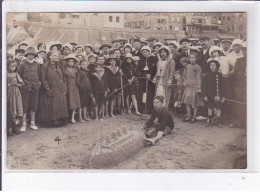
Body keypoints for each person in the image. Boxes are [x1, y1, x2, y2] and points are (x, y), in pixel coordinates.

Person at [38, 50, 68, 127]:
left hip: (60, 88)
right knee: (52, 105)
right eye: (54, 55)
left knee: (60, 105)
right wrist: (47, 88)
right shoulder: (45, 66)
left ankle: (61, 121)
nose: (56, 57)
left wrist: (64, 84)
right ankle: (52, 123)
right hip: (51, 89)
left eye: (57, 55)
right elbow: (43, 78)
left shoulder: (59, 65)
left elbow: (64, 75)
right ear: (50, 56)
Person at [17, 47, 41, 131]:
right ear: (26, 55)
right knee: (25, 105)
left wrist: (38, 84)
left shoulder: (37, 64)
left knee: (34, 105)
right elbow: (18, 75)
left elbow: (39, 75)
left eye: (33, 55)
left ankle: (32, 123)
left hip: (35, 88)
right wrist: (23, 84)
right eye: (29, 55)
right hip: (25, 88)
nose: (31, 57)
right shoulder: (22, 64)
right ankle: (23, 124)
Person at [209, 46, 233, 124]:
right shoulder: (210, 60)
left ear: (219, 52)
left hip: (225, 79)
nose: (213, 54)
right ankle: (214, 117)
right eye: (212, 53)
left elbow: (234, 65)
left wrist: (230, 73)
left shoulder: (225, 58)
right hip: (215, 80)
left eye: (215, 52)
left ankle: (226, 116)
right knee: (216, 98)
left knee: (225, 97)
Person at [182, 52, 204, 123]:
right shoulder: (187, 66)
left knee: (195, 102)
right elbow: (184, 75)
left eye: (193, 58)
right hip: (188, 86)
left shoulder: (197, 67)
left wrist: (198, 87)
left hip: (194, 86)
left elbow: (199, 77)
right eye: (190, 58)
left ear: (196, 59)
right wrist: (185, 81)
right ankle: (189, 116)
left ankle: (194, 117)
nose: (191, 59)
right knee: (187, 101)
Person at [203, 59, 224, 127]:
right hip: (209, 94)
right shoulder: (206, 74)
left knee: (218, 107)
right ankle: (209, 120)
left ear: (216, 66)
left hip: (218, 94)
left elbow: (222, 85)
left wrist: (222, 95)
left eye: (214, 65)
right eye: (211, 65)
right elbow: (204, 86)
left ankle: (219, 121)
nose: (212, 66)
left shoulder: (219, 75)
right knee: (210, 107)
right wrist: (205, 95)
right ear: (209, 66)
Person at [230, 42, 247, 128]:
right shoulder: (239, 60)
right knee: (238, 100)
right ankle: (236, 121)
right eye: (243, 49)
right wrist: (244, 75)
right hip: (241, 83)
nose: (244, 51)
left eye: (246, 50)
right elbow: (237, 72)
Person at [138, 46, 157, 114]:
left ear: (149, 52)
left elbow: (155, 69)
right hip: (143, 78)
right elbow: (139, 69)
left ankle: (149, 108)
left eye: (145, 52)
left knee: (150, 93)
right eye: (143, 52)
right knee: (142, 93)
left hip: (150, 79)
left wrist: (151, 75)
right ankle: (142, 108)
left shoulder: (153, 59)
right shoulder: (141, 60)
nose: (144, 53)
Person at [63, 54, 82, 123]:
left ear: (74, 62)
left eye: (72, 62)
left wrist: (77, 83)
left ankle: (73, 117)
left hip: (75, 87)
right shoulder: (64, 70)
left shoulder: (76, 69)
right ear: (67, 62)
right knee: (68, 101)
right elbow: (64, 79)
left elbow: (78, 78)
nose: (71, 63)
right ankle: (67, 117)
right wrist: (65, 84)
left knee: (74, 102)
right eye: (69, 61)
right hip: (68, 87)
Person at [7, 59, 24, 134]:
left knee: (16, 107)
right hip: (9, 93)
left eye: (14, 66)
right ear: (7, 66)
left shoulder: (16, 74)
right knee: (11, 109)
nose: (13, 68)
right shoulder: (5, 74)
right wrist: (9, 84)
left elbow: (21, 84)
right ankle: (10, 127)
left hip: (16, 93)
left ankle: (14, 127)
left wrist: (17, 84)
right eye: (11, 66)